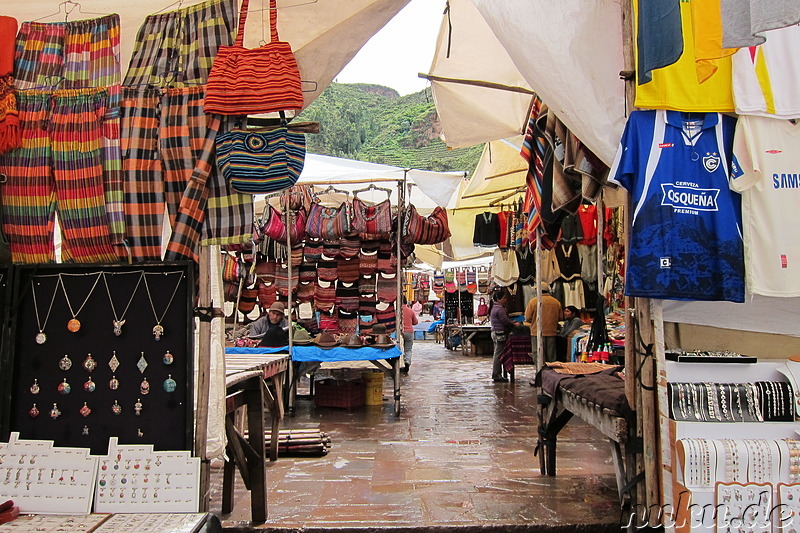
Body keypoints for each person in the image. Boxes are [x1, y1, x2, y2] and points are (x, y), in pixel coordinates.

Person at [524, 282, 562, 366]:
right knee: (551, 356)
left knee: (538, 355)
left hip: (536, 332)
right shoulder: (556, 302)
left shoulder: (533, 301)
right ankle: (551, 374)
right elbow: (560, 317)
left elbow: (527, 317)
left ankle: (540, 373)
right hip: (551, 331)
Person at [489, 289, 515, 382]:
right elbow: (505, 321)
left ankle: (498, 374)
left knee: (497, 354)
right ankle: (496, 375)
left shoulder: (495, 307)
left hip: (495, 333)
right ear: (499, 299)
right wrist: (514, 324)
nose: (505, 300)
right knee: (498, 355)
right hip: (499, 334)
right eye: (503, 298)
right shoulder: (499, 309)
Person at [401, 296, 418, 373]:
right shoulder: (410, 311)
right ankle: (407, 361)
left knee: (400, 348)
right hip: (409, 331)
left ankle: (399, 364)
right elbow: (415, 322)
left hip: (400, 332)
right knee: (408, 349)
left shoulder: (397, 311)